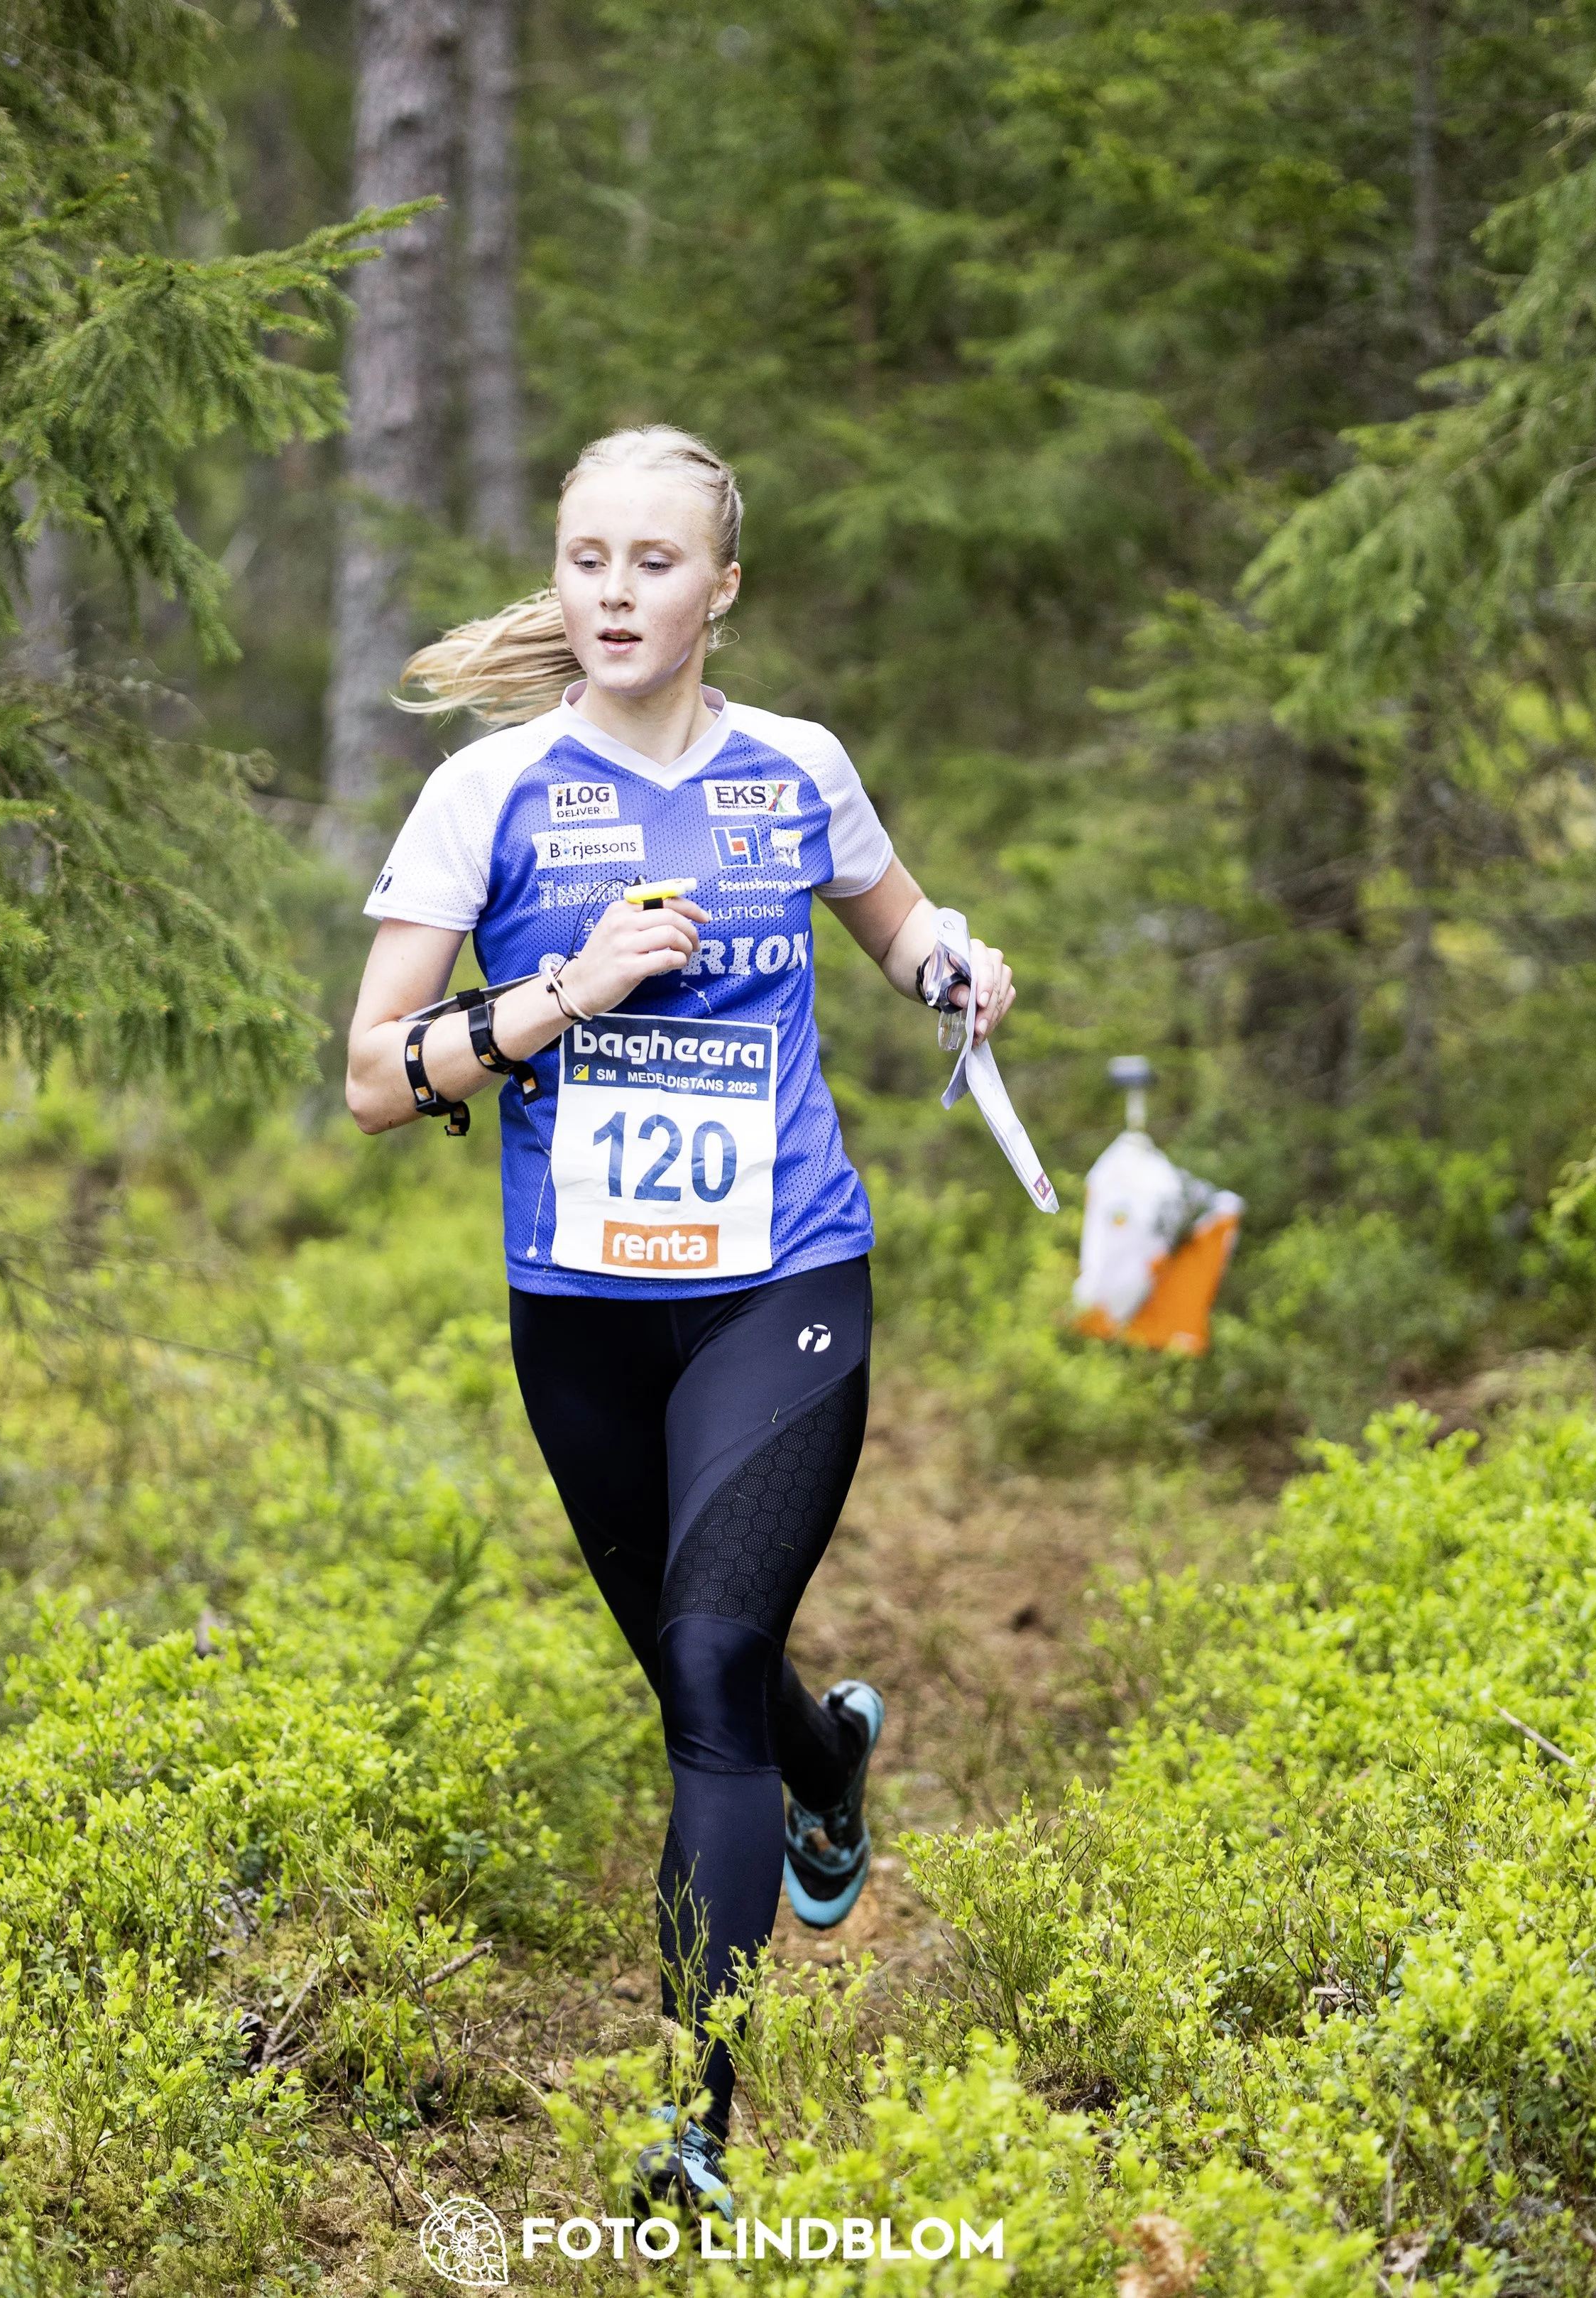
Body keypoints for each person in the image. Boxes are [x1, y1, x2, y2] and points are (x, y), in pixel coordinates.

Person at [345, 426, 1013, 2216]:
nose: (615, 591)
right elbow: (371, 1077)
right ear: (556, 579)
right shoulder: (486, 795)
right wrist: (560, 993)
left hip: (781, 1281)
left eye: (653, 561)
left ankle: (694, 2126)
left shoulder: (795, 769)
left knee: (710, 1662)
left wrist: (954, 960)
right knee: (691, 1659)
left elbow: (893, 928)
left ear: (722, 587)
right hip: (580, 1310)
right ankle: (832, 1761)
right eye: (586, 559)